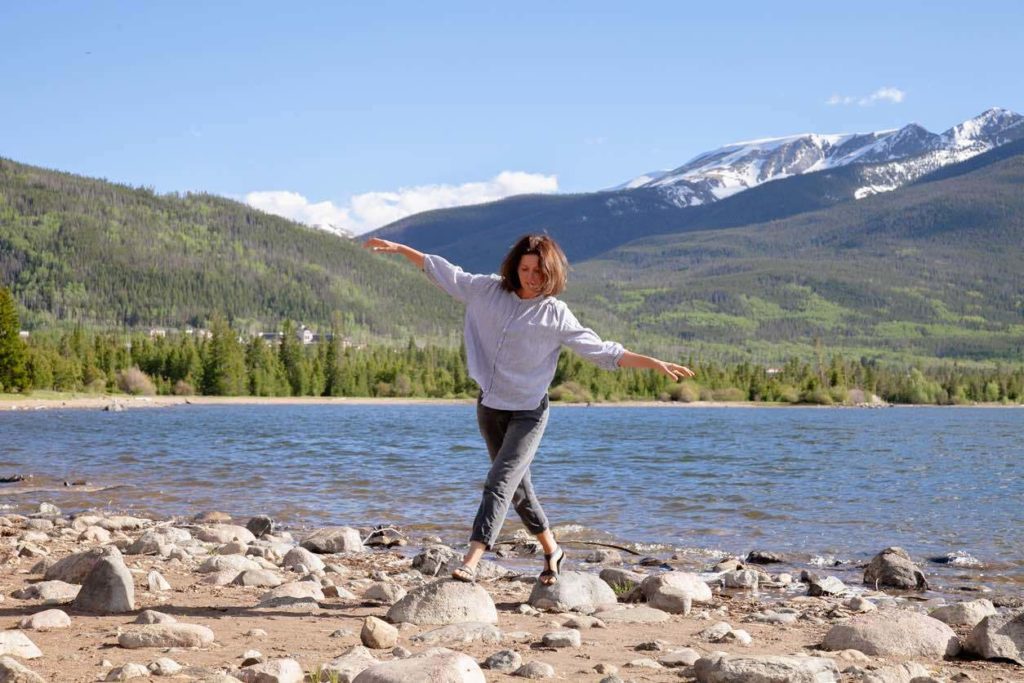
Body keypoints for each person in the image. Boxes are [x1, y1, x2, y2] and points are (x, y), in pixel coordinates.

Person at [363, 234, 694, 585]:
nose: (531, 276)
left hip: (528, 412)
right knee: (517, 489)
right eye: (525, 268)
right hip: (490, 406)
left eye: (538, 270)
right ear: (514, 267)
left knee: (498, 482)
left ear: (551, 272)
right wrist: (401, 250)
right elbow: (445, 271)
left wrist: (653, 363)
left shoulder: (555, 314)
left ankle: (473, 558)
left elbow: (602, 350)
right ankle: (553, 550)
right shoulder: (486, 290)